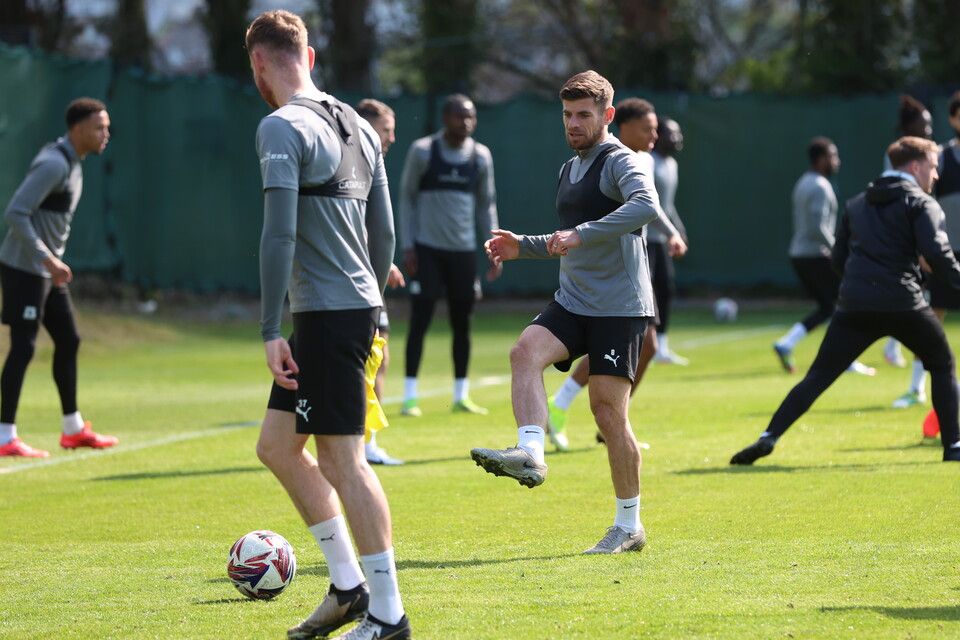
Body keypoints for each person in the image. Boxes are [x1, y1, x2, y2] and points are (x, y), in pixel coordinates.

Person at [246, 11, 410, 640]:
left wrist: (269, 327)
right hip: (353, 308)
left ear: (260, 64)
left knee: (344, 461)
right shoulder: (361, 126)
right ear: (309, 57)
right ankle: (348, 587)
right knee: (277, 447)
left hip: (326, 314)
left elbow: (279, 233)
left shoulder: (280, 126)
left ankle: (389, 616)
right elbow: (386, 233)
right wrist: (369, 297)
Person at [471, 70, 661, 554]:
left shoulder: (622, 161)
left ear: (607, 116)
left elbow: (646, 207)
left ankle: (628, 526)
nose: (573, 123)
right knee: (524, 351)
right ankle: (531, 451)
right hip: (575, 299)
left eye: (583, 115)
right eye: (567, 115)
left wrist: (583, 232)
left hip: (619, 308)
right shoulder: (568, 168)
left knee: (607, 413)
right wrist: (523, 247)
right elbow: (566, 240)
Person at [731, 136, 960, 466]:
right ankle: (952, 446)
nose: (936, 176)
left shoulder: (856, 203)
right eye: (933, 167)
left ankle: (770, 436)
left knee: (819, 375)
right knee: (941, 363)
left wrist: (861, 284)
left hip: (854, 303)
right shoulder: (923, 204)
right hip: (903, 302)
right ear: (915, 166)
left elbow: (838, 258)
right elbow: (937, 254)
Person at [546, 97, 687, 452]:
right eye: (647, 128)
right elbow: (645, 208)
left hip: (644, 252)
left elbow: (654, 206)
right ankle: (572, 408)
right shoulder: (619, 160)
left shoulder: (641, 160)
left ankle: (607, 422)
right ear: (620, 125)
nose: (654, 135)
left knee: (643, 346)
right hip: (625, 260)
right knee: (636, 344)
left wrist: (670, 232)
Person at [0, 97, 117, 458]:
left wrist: (50, 264)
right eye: (99, 128)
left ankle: (72, 429)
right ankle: (5, 436)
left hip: (46, 271)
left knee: (69, 340)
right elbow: (15, 212)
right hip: (25, 268)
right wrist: (47, 259)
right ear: (77, 130)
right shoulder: (53, 164)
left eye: (107, 127)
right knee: (24, 347)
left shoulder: (74, 161)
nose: (105, 134)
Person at [397, 93, 501, 417]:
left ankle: (461, 395)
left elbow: (487, 204)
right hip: (427, 250)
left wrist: (493, 246)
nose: (466, 123)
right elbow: (407, 198)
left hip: (463, 252)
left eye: (471, 117)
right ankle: (409, 397)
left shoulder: (481, 156)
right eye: (460, 117)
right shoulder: (423, 151)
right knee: (420, 321)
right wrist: (408, 245)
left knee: (463, 323)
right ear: (446, 119)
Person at [773, 137, 875, 377]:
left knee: (828, 308)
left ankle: (787, 343)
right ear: (821, 159)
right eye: (833, 156)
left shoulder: (804, 182)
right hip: (814, 255)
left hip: (800, 254)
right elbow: (818, 227)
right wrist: (839, 251)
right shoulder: (819, 186)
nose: (837, 161)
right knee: (846, 305)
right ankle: (846, 360)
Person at [355, 98, 405, 466]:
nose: (391, 138)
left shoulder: (362, 160)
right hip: (357, 282)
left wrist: (383, 262)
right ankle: (362, 444)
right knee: (371, 359)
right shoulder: (359, 161)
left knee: (378, 358)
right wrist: (379, 261)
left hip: (367, 275)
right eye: (386, 130)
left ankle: (365, 441)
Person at [883, 95, 934, 372]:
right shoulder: (900, 156)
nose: (928, 130)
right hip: (904, 234)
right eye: (924, 125)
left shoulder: (925, 155)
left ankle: (894, 344)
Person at [923, 91, 960, 437]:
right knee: (932, 319)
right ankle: (917, 387)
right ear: (953, 119)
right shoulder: (944, 158)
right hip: (950, 252)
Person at [650, 117, 690, 365]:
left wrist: (677, 230)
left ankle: (660, 348)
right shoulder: (648, 163)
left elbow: (667, 205)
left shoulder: (671, 164)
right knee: (645, 295)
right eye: (673, 134)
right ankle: (643, 345)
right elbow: (649, 205)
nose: (678, 138)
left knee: (666, 289)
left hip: (662, 239)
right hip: (645, 239)